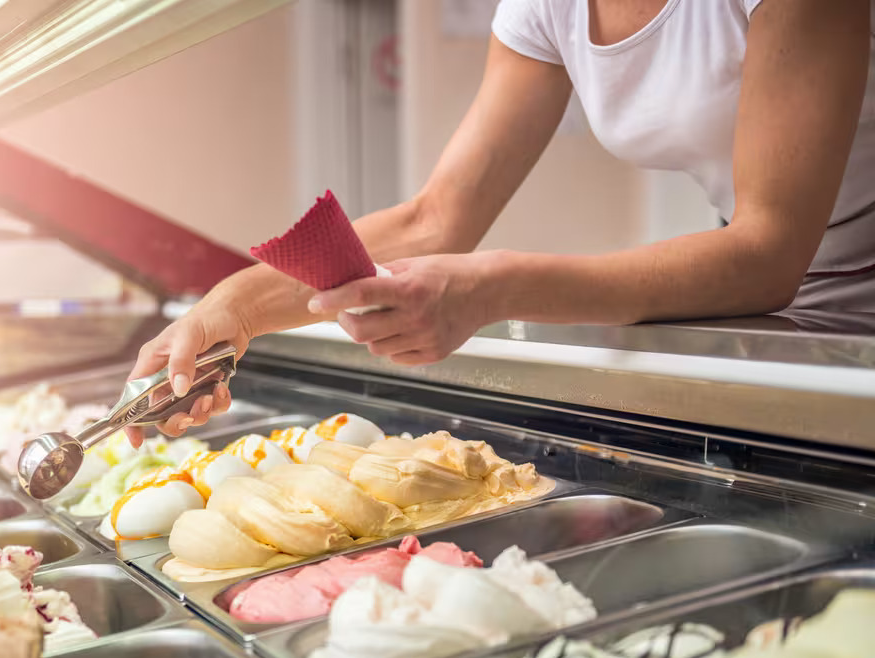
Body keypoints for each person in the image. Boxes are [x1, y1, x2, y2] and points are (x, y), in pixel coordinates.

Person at [126, 0, 875, 446]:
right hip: (783, 327)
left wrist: (493, 287)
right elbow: (438, 217)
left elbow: (767, 251)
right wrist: (236, 306)